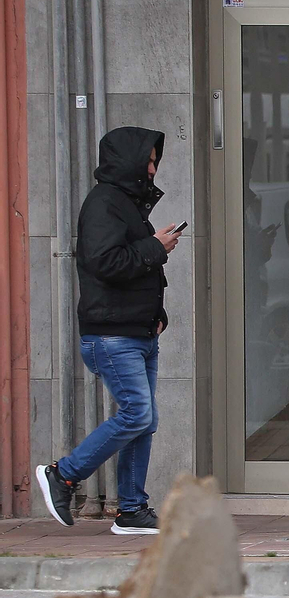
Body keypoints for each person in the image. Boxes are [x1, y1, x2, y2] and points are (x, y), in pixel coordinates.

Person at [35, 127, 181, 535]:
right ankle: (62, 474)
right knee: (137, 414)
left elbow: (132, 271)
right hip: (111, 335)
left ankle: (132, 509)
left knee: (143, 419)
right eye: (149, 160)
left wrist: (157, 313)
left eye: (155, 160)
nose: (154, 167)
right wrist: (156, 246)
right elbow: (106, 263)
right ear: (130, 160)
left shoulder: (127, 205)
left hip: (136, 332)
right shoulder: (105, 203)